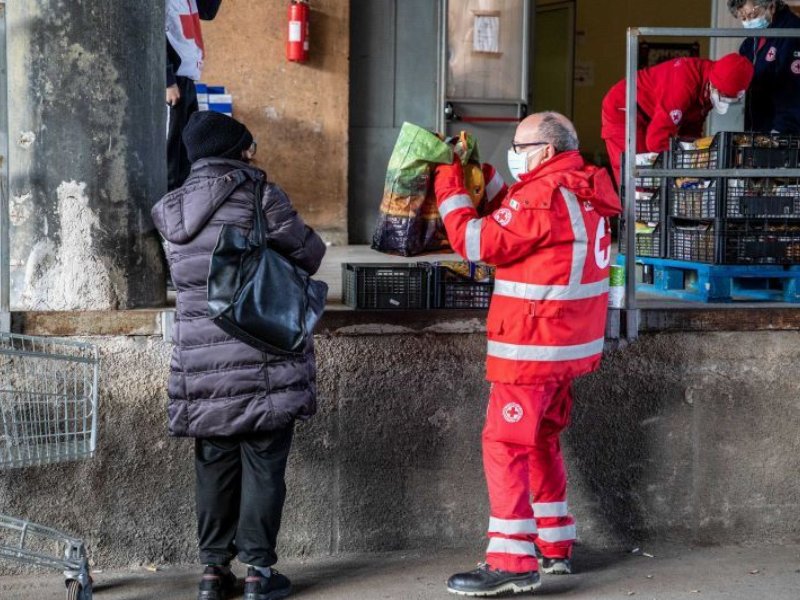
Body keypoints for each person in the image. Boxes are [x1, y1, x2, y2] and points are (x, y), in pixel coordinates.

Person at [433, 112, 622, 597]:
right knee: (540, 439)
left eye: (521, 145)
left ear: (548, 150)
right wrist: (487, 174)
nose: (514, 153)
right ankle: (554, 545)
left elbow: (476, 241)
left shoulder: (542, 197)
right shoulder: (583, 188)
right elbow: (521, 220)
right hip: (568, 347)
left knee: (505, 443)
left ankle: (511, 559)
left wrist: (450, 183)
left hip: (531, 347)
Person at [151, 111, 326, 600]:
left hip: (201, 364)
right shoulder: (260, 196)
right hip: (264, 353)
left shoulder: (169, 210)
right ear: (240, 150)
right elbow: (308, 254)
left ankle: (212, 573)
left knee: (214, 462)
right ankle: (258, 574)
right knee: (264, 464)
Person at [601, 53, 755, 186]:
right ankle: (636, 218)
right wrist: (684, 167)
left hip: (653, 115)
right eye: (724, 96)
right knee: (639, 174)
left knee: (661, 174)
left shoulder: (709, 89)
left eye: (730, 99)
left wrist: (697, 157)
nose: (724, 101)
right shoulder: (684, 83)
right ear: (713, 85)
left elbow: (691, 130)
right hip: (624, 108)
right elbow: (656, 140)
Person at [166, 0, 223, 191]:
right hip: (173, 81)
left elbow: (207, 11)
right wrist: (167, 80)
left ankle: (182, 205)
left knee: (187, 153)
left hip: (188, 78)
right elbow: (151, 35)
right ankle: (167, 209)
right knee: (171, 158)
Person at [729, 0, 800, 133]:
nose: (748, 22)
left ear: (771, 6)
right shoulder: (751, 42)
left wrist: (781, 131)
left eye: (752, 15)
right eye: (743, 18)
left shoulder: (792, 33)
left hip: (784, 132)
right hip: (758, 128)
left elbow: (793, 91)